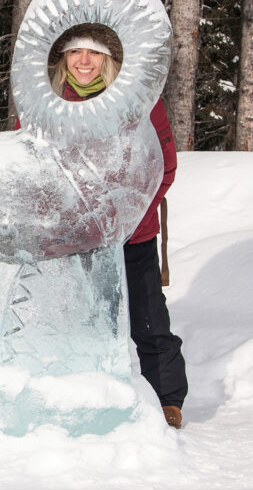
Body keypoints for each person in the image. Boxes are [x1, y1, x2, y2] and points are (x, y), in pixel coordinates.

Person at [45, 23, 189, 428]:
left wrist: (131, 213)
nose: (84, 61)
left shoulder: (139, 100)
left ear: (109, 59)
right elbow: (34, 166)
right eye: (75, 52)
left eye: (93, 52)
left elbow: (165, 164)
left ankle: (167, 400)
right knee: (82, 321)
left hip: (132, 234)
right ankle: (81, 397)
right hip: (75, 240)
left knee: (148, 320)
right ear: (63, 58)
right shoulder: (48, 103)